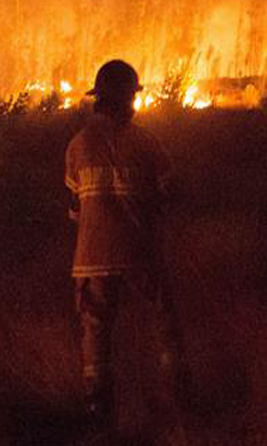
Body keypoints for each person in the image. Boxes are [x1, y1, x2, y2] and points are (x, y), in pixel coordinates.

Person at [65, 59, 190, 433]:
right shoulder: (147, 142)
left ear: (99, 99)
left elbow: (74, 205)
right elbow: (170, 193)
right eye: (132, 97)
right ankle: (178, 392)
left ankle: (97, 403)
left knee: (96, 329)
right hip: (141, 254)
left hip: (92, 257)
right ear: (124, 100)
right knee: (163, 319)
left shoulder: (78, 145)